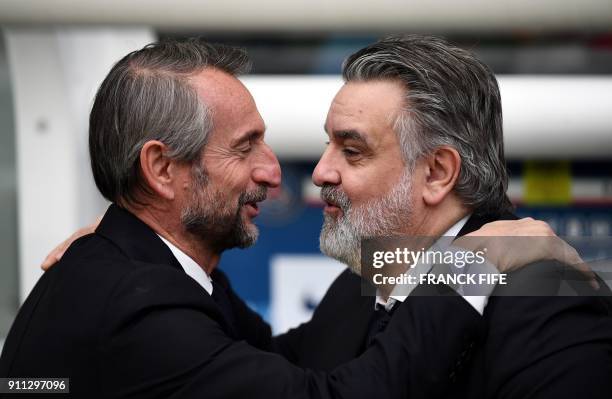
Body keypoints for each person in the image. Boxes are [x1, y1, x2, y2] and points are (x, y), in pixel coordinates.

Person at [8, 37, 598, 398]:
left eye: (352, 149)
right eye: (245, 148)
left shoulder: (547, 293)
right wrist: (134, 251)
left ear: (438, 173)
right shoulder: (363, 285)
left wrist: (134, 251)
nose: (313, 173)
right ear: (160, 170)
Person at [270, 35, 612, 398]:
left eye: (352, 151)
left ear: (436, 173)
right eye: (329, 146)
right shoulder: (354, 290)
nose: (321, 172)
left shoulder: (546, 303)